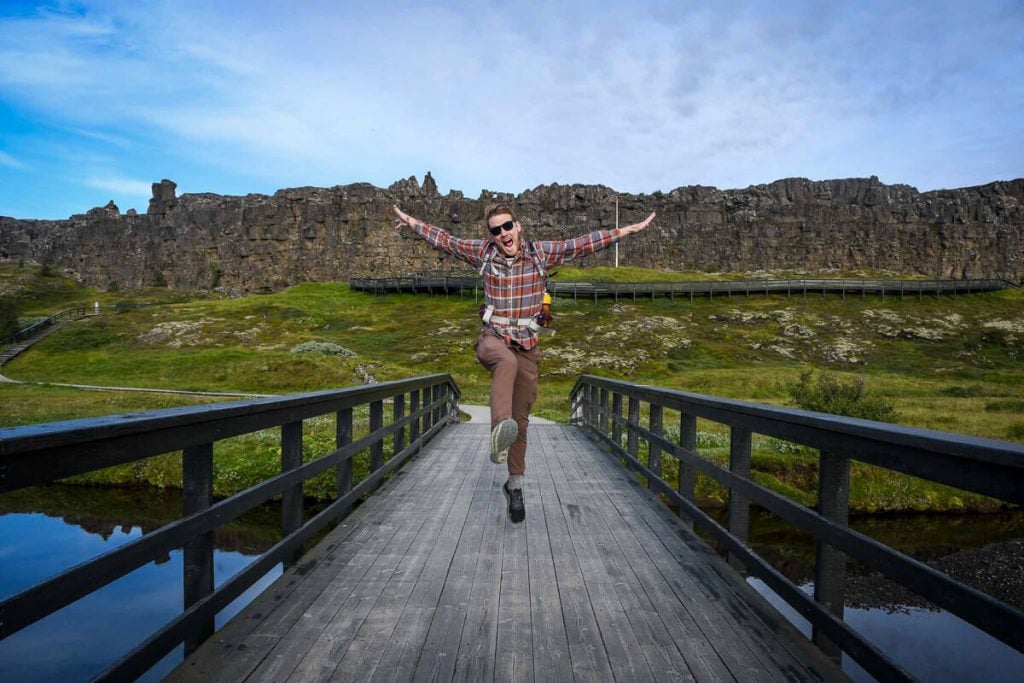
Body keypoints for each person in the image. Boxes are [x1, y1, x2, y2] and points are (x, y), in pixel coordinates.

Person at [392, 202, 655, 523]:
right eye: (495, 230)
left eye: (507, 226)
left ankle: (514, 484)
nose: (503, 233)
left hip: (528, 345)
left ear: (518, 227)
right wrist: (411, 221)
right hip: (493, 339)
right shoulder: (483, 254)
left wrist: (625, 231)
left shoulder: (540, 254)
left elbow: (583, 244)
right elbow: (444, 239)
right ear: (491, 236)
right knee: (505, 362)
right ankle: (497, 432)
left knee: (522, 421)